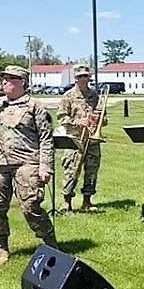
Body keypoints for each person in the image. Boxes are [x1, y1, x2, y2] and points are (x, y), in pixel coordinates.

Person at [0, 65, 57, 266]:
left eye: (11, 79)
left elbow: (46, 139)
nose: (5, 82)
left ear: (23, 82)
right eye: (3, 78)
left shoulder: (35, 106)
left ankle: (50, 243)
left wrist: (45, 166)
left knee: (30, 206)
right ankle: (1, 247)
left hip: (27, 162)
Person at [56, 64, 105, 212]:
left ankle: (87, 201)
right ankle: (67, 201)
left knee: (91, 171)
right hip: (75, 139)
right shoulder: (68, 96)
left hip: (92, 139)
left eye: (86, 76)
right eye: (80, 76)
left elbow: (104, 115)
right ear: (75, 78)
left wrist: (99, 120)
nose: (83, 79)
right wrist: (78, 122)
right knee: (71, 170)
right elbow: (61, 117)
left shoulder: (94, 95)